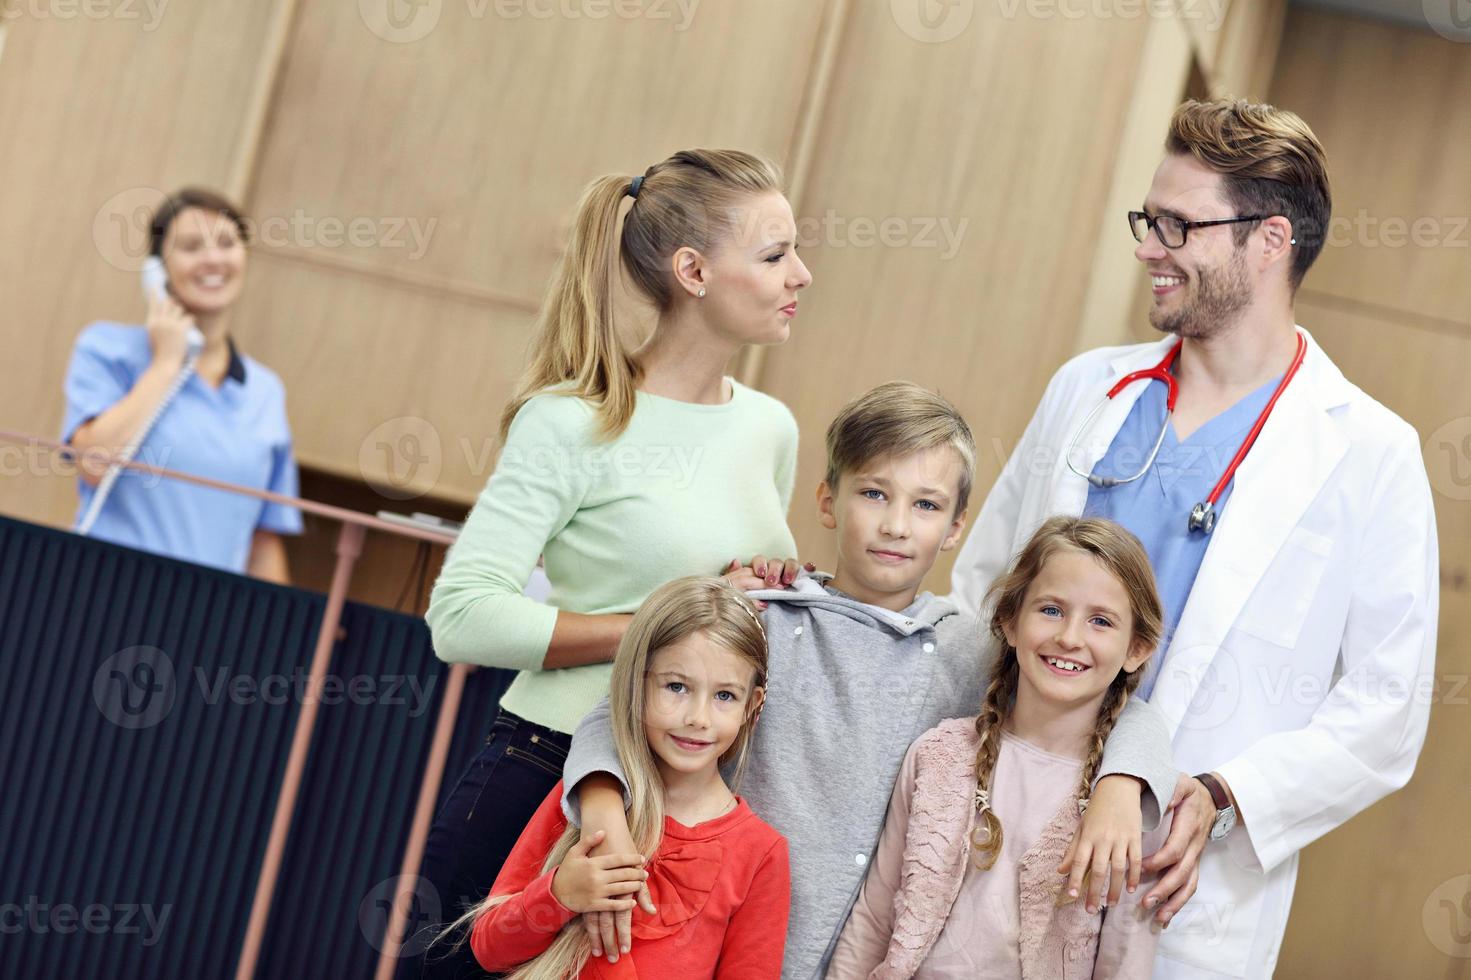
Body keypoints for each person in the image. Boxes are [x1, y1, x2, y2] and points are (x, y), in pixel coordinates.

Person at [950, 99, 1439, 978]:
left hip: (1175, 886)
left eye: (1177, 225)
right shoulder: (1087, 391)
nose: (1146, 247)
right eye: (1148, 219)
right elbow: (979, 594)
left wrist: (1223, 797)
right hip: (998, 840)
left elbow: (1385, 713)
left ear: (1269, 241)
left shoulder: (1367, 454)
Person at [564, 382, 1180, 979]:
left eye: (926, 505)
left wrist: (1122, 786)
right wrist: (602, 814)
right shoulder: (764, 616)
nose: (896, 526)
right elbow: (615, 711)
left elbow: (1115, 703)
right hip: (702, 935)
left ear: (957, 528)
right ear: (828, 501)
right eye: (875, 494)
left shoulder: (974, 647)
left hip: (852, 957)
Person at [409, 149, 812, 978]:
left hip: (685, 797)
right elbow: (462, 614)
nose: (799, 274)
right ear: (693, 271)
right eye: (773, 255)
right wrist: (659, 632)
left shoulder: (771, 429)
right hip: (544, 768)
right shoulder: (569, 422)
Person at [829, 517, 1172, 978]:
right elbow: (873, 918)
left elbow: (1125, 965)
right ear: (1010, 622)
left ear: (1137, 648)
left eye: (1100, 621)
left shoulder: (1133, 808)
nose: (1069, 637)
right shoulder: (936, 756)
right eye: (1051, 609)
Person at [456, 577, 789, 979]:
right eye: (677, 686)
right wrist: (559, 894)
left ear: (752, 705)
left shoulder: (761, 853)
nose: (698, 718)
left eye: (724, 696)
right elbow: (489, 948)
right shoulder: (584, 796)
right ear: (637, 684)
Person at [62, 187, 301, 581]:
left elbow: (263, 539)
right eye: (191, 246)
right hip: (103, 590)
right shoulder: (105, 349)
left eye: (226, 243)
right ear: (157, 269)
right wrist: (166, 363)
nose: (212, 259)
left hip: (205, 616)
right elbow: (92, 462)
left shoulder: (266, 391)